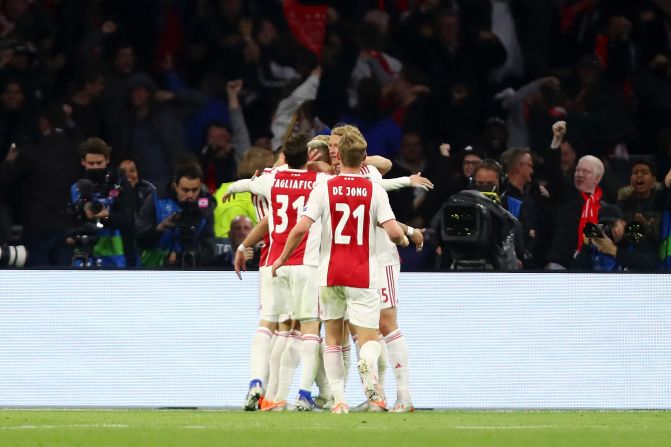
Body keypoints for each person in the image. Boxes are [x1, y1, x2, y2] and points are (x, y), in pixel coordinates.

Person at [271, 131, 411, 414]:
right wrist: (406, 237)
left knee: (333, 338)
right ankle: (373, 373)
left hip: (330, 272)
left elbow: (301, 227)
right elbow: (393, 230)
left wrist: (281, 258)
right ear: (362, 155)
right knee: (369, 338)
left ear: (341, 154)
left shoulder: (324, 187)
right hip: (364, 272)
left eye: (335, 147)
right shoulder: (373, 188)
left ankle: (339, 401)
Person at [0, 106, 80, 266]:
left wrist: (9, 161)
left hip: (38, 224)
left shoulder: (33, 151)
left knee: (38, 276)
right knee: (63, 275)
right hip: (66, 223)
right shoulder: (75, 149)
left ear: (44, 122)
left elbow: (5, 179)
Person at [545, 121, 606, 270]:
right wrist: (556, 140)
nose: (579, 174)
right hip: (560, 264)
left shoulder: (603, 208)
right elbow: (554, 172)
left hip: (591, 266)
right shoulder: (567, 193)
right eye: (578, 170)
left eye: (586, 171)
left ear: (597, 178)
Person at [135, 158, 215, 268]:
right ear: (175, 185)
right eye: (185, 190)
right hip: (153, 270)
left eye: (195, 190)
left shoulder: (206, 207)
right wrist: (158, 229)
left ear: (200, 186)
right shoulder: (156, 199)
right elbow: (138, 237)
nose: (190, 196)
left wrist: (192, 255)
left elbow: (209, 249)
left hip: (193, 272)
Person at [67, 137, 134, 268]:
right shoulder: (76, 188)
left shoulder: (119, 184)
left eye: (99, 163)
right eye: (91, 164)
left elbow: (128, 219)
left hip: (116, 259)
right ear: (83, 162)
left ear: (107, 160)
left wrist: (106, 215)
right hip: (84, 255)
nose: (95, 167)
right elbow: (69, 221)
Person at [572, 204, 657, 271]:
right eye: (605, 227)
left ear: (623, 224)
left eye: (613, 225)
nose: (610, 231)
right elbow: (574, 275)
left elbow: (650, 264)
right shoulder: (595, 245)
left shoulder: (635, 240)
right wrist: (586, 246)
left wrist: (614, 251)